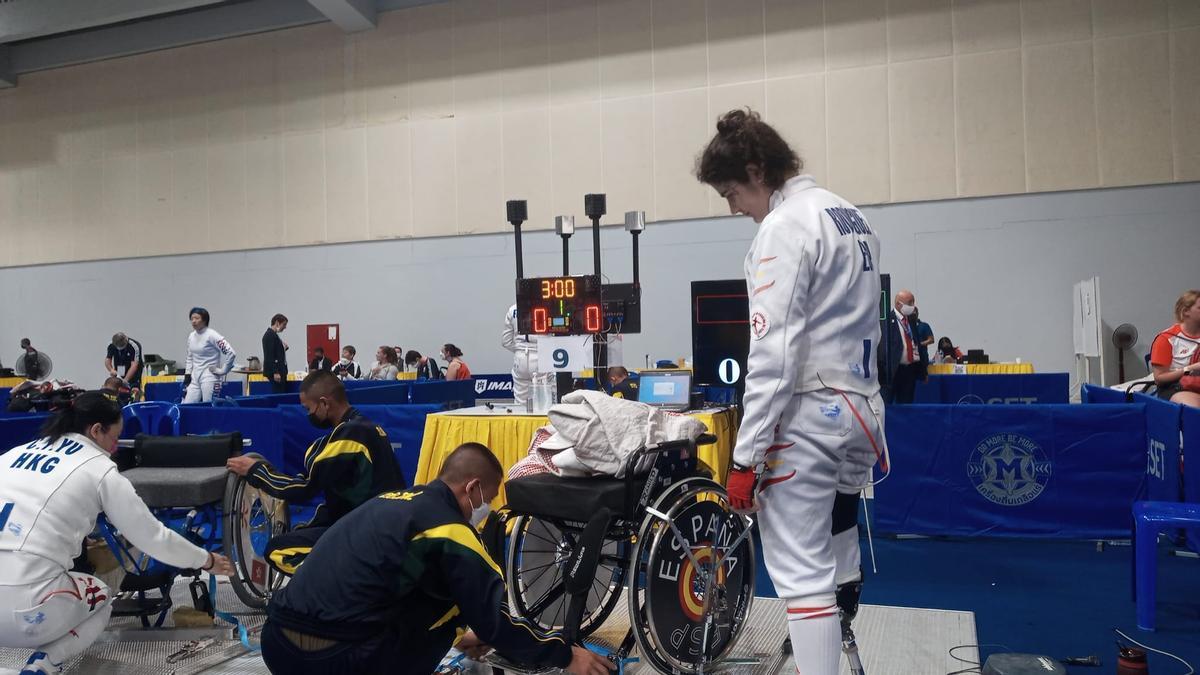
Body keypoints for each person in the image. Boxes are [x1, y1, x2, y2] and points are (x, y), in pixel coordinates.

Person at [696, 108, 884, 675]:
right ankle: (831, 647)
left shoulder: (783, 228)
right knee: (838, 538)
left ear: (757, 170)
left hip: (809, 418)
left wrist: (746, 456)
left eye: (732, 192)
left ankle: (819, 659)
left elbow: (773, 357)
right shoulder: (851, 215)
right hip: (862, 412)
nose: (733, 208)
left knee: (802, 576)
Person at [258, 443, 614, 675]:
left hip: (276, 644)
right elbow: (497, 625)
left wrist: (461, 635)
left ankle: (456, 636)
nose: (485, 511)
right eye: (488, 500)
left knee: (442, 595)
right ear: (472, 488)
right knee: (463, 603)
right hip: (336, 659)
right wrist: (567, 656)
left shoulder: (389, 502)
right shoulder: (450, 529)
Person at [0, 392, 234, 675]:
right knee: (101, 596)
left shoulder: (12, 454)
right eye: (114, 437)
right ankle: (45, 665)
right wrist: (205, 559)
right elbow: (153, 538)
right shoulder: (100, 470)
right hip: (30, 613)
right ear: (96, 430)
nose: (114, 448)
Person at [225, 371, 406, 574]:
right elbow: (341, 498)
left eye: (308, 408)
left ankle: (345, 582)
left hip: (371, 534)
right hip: (384, 525)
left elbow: (305, 488)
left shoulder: (348, 437)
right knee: (304, 532)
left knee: (279, 550)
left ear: (324, 403)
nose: (308, 414)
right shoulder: (366, 426)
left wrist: (256, 471)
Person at [1149, 289, 1200, 407]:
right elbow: (1159, 378)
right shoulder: (1166, 339)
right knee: (1194, 410)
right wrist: (1190, 368)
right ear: (1186, 311)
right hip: (1175, 387)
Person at [183, 307, 236, 404]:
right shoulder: (191, 336)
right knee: (186, 406)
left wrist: (223, 370)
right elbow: (190, 357)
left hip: (210, 377)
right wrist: (187, 374)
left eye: (197, 318)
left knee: (210, 406)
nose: (193, 321)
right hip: (195, 378)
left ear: (204, 320)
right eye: (192, 318)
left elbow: (231, 352)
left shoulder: (212, 335)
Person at [881, 290, 922, 404]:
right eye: (910, 302)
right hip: (892, 370)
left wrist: (922, 371)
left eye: (913, 302)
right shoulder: (887, 320)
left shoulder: (911, 321)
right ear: (899, 304)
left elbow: (916, 343)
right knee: (887, 403)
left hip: (909, 371)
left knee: (906, 404)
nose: (912, 305)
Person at [501, 304, 538, 405]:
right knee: (545, 400)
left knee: (521, 403)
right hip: (541, 357)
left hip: (520, 359)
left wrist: (519, 350)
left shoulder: (513, 309)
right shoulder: (548, 305)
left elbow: (506, 342)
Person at [262, 314, 290, 394]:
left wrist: (282, 348)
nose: (285, 327)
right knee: (278, 394)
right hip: (277, 373)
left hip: (280, 371)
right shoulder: (270, 336)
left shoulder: (274, 336)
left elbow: (275, 351)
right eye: (284, 324)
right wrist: (275, 372)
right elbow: (269, 356)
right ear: (277, 322)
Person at [910, 307, 934, 384]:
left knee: (922, 380)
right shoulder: (905, 326)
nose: (913, 315)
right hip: (909, 358)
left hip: (922, 356)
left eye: (914, 313)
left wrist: (920, 344)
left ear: (917, 313)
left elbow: (931, 339)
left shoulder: (924, 326)